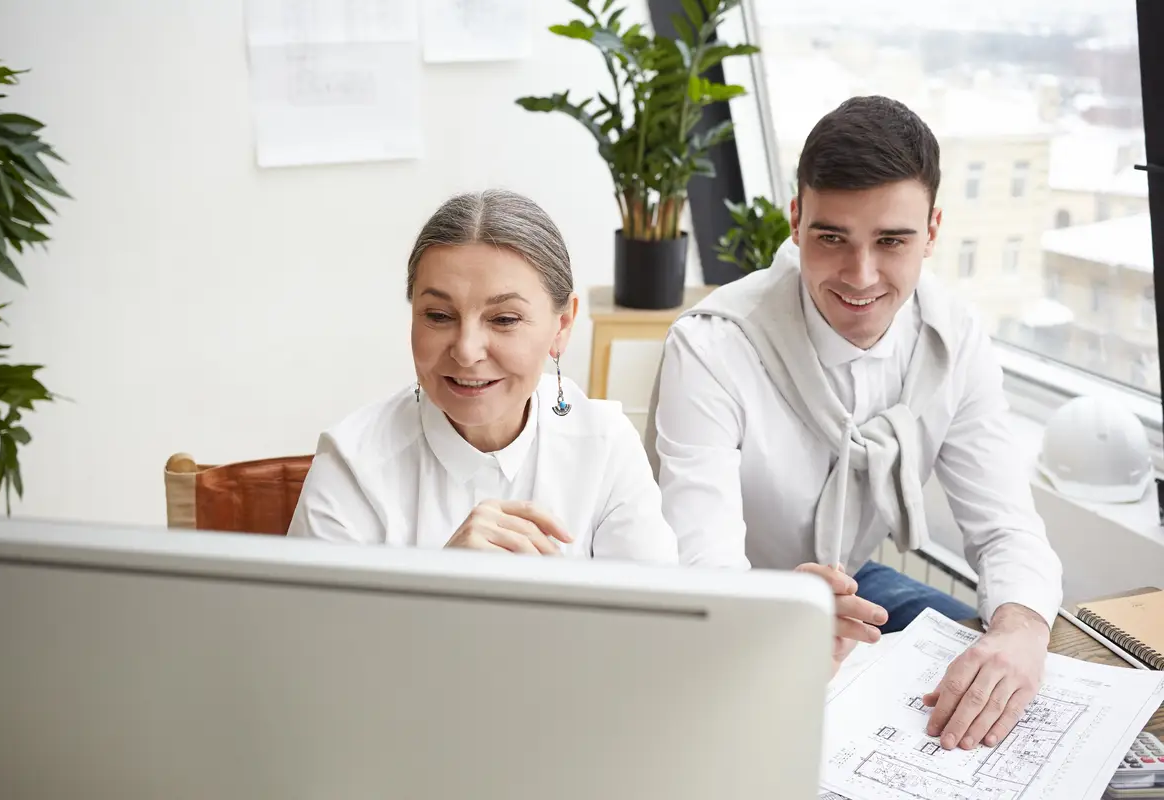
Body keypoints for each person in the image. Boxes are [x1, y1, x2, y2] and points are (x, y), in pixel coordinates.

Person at [646, 96, 1063, 751]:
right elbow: (703, 570)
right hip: (728, 603)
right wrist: (779, 613)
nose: (860, 276)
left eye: (892, 241)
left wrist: (1020, 629)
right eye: (831, 237)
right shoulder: (711, 347)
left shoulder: (955, 338)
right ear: (795, 222)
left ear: (932, 231)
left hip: (855, 586)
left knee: (1006, 676)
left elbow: (1006, 525)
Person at [289, 189, 677, 565]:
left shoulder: (606, 447)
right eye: (439, 316)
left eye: (504, 319)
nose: (467, 350)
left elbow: (660, 624)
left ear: (562, 326)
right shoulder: (353, 464)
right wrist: (440, 587)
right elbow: (309, 631)